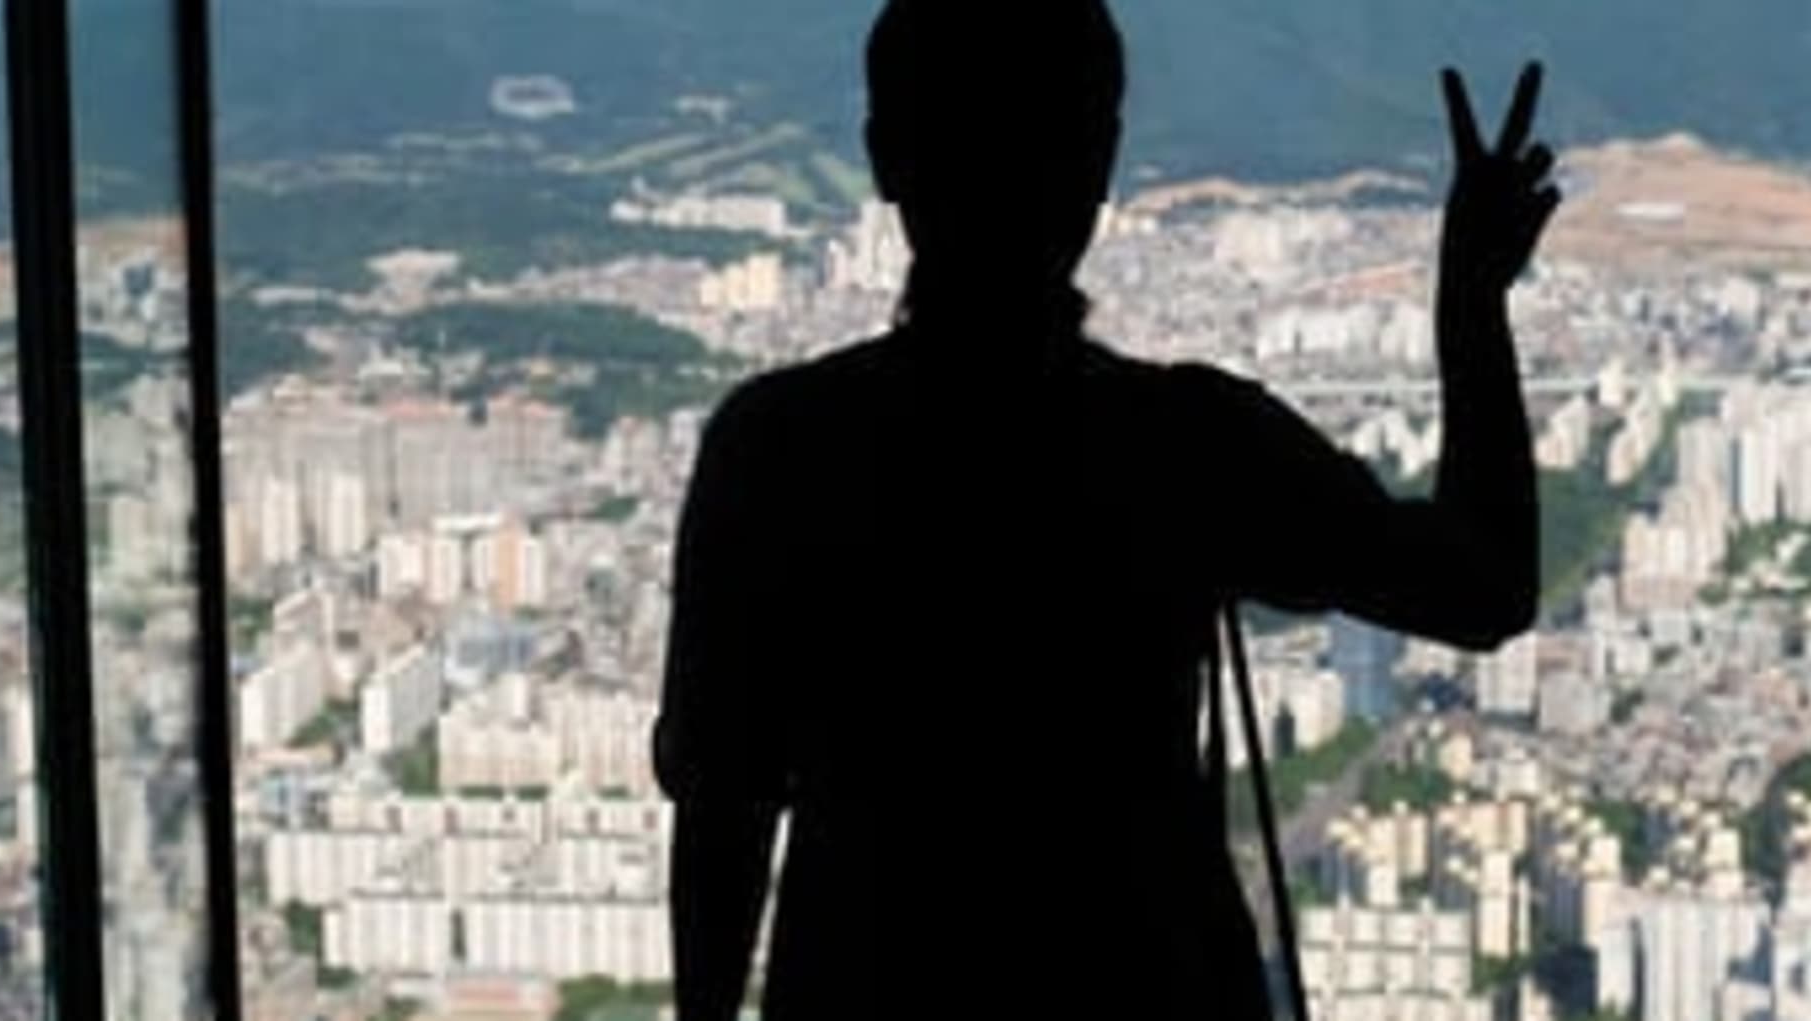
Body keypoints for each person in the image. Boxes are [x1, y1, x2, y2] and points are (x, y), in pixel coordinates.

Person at [655, 2, 1558, 1017]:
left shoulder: (777, 450)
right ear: (1100, 162)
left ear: (885, 158)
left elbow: (724, 815)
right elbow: (1484, 586)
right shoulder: (1186, 443)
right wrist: (1472, 307)